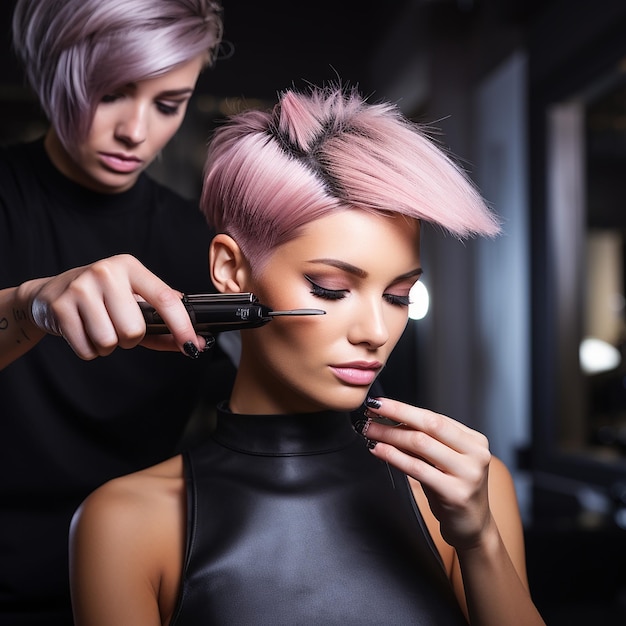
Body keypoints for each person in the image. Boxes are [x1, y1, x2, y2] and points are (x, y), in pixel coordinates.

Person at [69, 85, 545, 625]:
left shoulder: (468, 489)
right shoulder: (126, 523)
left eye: (399, 296)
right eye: (330, 288)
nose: (375, 332)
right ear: (230, 270)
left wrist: (481, 541)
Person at [0, 1, 235, 624]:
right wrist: (28, 308)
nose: (137, 132)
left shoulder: (198, 243)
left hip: (139, 586)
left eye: (168, 104)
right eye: (111, 94)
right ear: (55, 73)